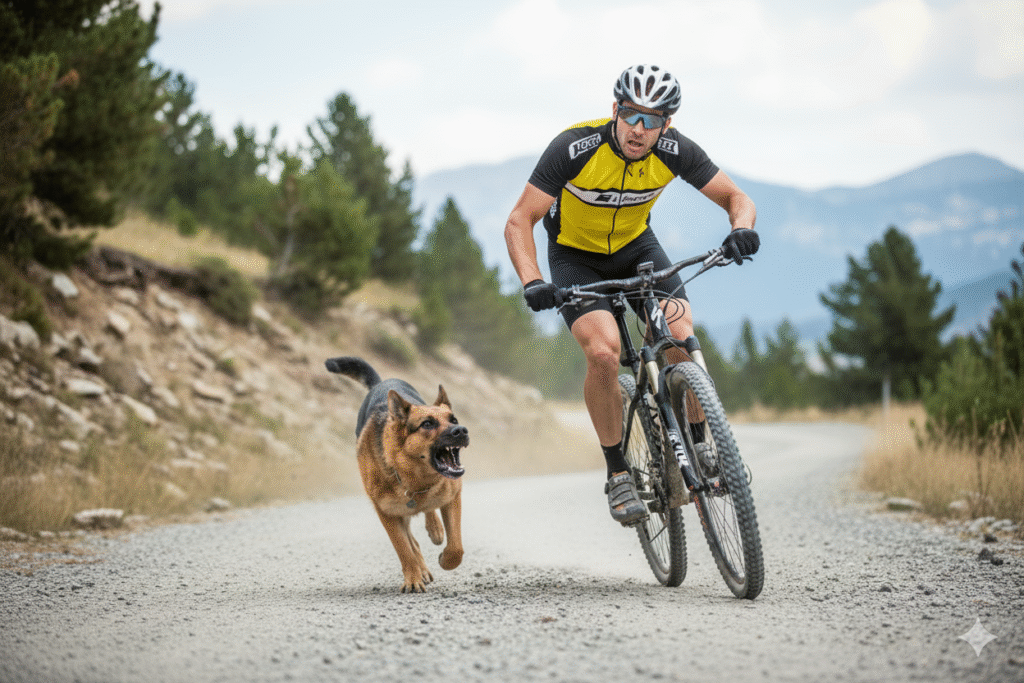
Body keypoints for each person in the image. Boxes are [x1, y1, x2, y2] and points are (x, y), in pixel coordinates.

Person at [504, 64, 759, 525]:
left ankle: (702, 442)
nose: (640, 129)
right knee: (604, 353)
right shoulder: (574, 148)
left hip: (638, 248)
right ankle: (618, 471)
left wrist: (741, 229)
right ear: (615, 111)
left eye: (653, 119)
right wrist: (532, 280)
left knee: (680, 335)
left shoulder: (675, 150)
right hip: (574, 258)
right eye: (631, 115)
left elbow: (736, 197)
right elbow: (520, 219)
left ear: (667, 124)